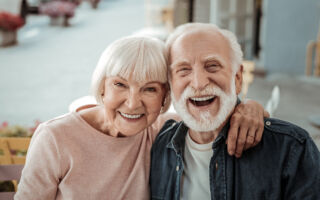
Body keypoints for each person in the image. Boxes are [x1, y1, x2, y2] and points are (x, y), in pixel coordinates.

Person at [15, 36, 267, 200]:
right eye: (120, 85)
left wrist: (250, 107)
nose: (133, 103)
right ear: (102, 86)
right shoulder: (55, 138)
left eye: (149, 89)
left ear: (164, 97)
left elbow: (215, 116)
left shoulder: (162, 129)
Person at [150, 23, 320, 200]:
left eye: (212, 66)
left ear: (237, 78)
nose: (198, 83)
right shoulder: (158, 146)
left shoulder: (291, 148)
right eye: (183, 70)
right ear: (170, 85)